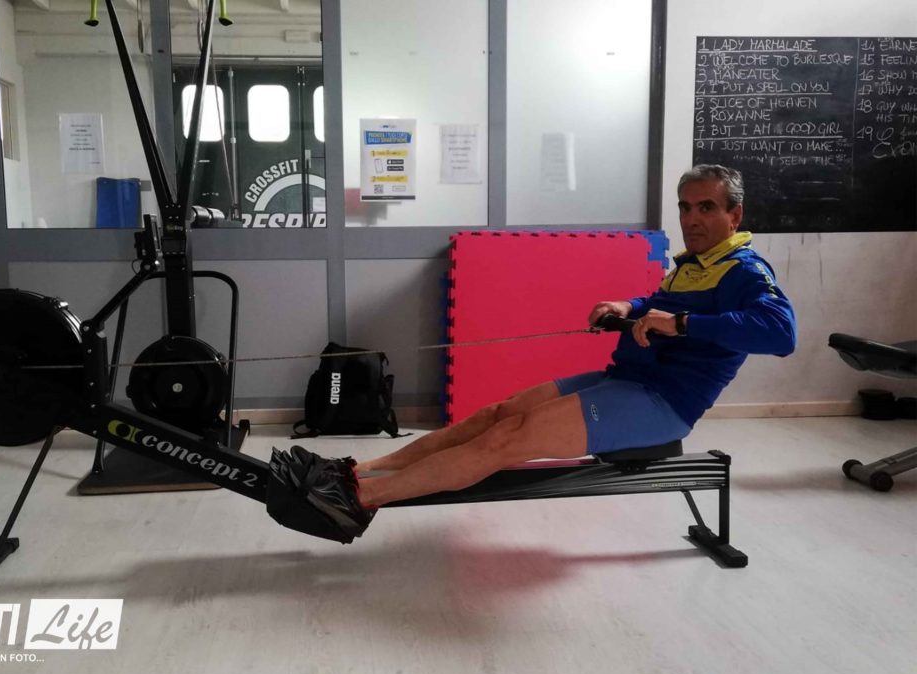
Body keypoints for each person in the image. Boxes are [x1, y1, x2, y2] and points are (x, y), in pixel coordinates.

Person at [268, 164, 797, 541]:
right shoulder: (693, 265)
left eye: (706, 207)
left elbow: (781, 332)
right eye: (685, 207)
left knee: (508, 439)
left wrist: (679, 323)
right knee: (496, 414)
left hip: (664, 403)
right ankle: (358, 473)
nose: (692, 218)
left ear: (735, 215)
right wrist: (628, 305)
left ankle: (357, 502)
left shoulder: (744, 271)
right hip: (625, 380)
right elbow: (659, 305)